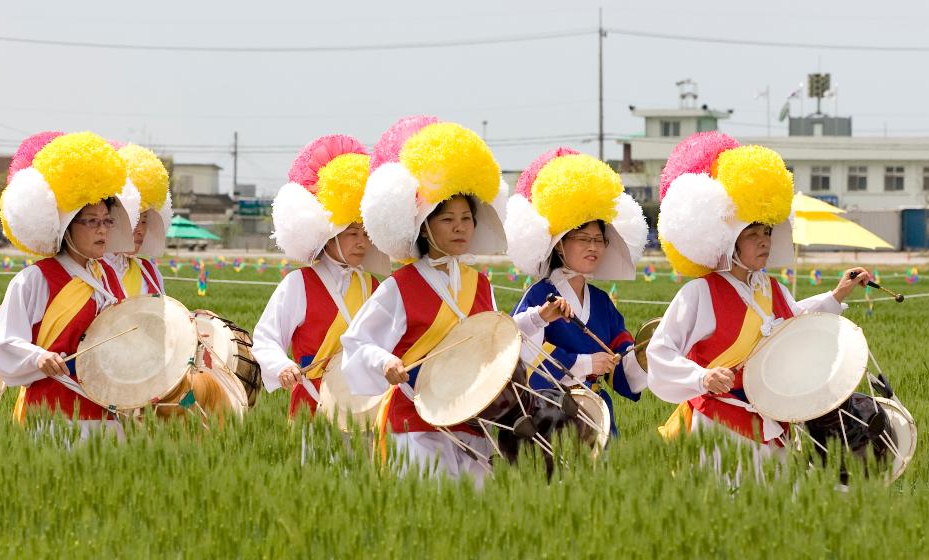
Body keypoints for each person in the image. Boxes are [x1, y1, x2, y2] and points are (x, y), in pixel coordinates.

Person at [340, 115, 568, 482]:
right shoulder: (400, 285)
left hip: (473, 422)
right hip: (414, 424)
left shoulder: (480, 284)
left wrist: (540, 317)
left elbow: (497, 342)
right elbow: (357, 342)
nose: (460, 226)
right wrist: (386, 363)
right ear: (424, 226)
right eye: (447, 219)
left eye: (467, 217)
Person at [645, 132, 868, 464]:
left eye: (767, 232)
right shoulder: (700, 291)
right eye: (752, 233)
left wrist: (836, 295)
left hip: (772, 421)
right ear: (728, 240)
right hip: (719, 424)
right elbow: (660, 351)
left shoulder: (771, 288)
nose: (764, 241)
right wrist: (701, 377)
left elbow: (793, 325)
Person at [0, 131, 141, 434]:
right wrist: (39, 357)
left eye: (107, 220)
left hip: (108, 412)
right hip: (52, 414)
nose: (102, 230)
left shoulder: (110, 276)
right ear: (67, 227)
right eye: (91, 221)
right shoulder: (34, 280)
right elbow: (4, 343)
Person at [505, 149, 649, 435]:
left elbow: (621, 368)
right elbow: (519, 351)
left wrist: (645, 356)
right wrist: (584, 363)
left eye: (598, 239)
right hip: (549, 413)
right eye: (582, 238)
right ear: (559, 243)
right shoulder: (539, 296)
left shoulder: (602, 302)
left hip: (598, 414)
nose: (593, 247)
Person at [252, 134, 388, 416]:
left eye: (365, 233)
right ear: (329, 235)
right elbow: (267, 337)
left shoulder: (373, 286)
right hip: (311, 402)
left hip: (366, 405)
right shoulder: (298, 283)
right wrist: (283, 366)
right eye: (351, 233)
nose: (362, 242)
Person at [109, 142, 170, 296]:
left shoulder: (150, 272)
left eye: (144, 221)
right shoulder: (90, 270)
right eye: (135, 221)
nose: (141, 230)